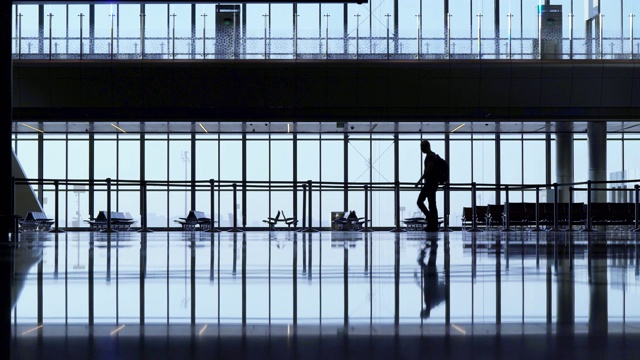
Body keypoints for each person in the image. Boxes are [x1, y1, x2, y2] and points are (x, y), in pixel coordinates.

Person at [415, 140, 441, 232]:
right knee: (432, 204)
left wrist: (419, 181)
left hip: (430, 184)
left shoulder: (430, 156)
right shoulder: (432, 156)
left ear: (426, 146)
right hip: (433, 184)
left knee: (420, 201)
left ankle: (430, 219)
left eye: (422, 147)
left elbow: (427, 171)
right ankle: (433, 225)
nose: (421, 149)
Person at [418, 239, 446, 318]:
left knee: (429, 259)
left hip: (431, 278)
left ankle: (432, 246)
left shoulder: (432, 304)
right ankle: (432, 245)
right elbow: (428, 290)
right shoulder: (430, 303)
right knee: (428, 260)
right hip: (430, 277)